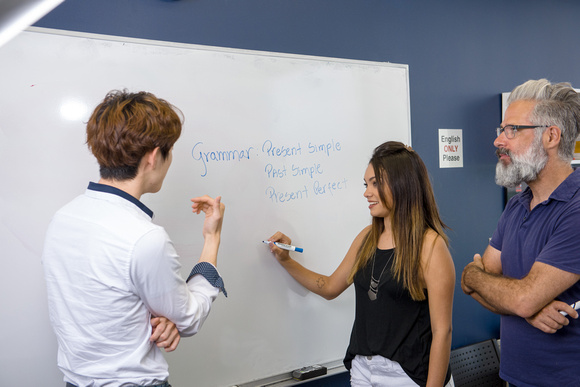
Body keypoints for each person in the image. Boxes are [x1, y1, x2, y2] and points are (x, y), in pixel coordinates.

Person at [42, 90, 227, 387]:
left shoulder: (63, 218)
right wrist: (212, 237)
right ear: (154, 157)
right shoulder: (144, 238)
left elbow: (109, 302)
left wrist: (167, 316)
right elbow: (189, 318)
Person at [267, 141, 455, 387]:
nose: (367, 192)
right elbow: (330, 287)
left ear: (403, 184)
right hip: (363, 371)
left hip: (408, 376)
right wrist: (286, 260)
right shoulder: (367, 238)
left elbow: (443, 332)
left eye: (376, 183)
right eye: (366, 184)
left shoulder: (430, 246)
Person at [461, 79, 580, 387]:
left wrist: (484, 280)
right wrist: (525, 308)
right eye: (502, 130)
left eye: (512, 129)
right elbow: (470, 284)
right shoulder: (516, 207)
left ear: (551, 136)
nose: (499, 140)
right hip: (514, 379)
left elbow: (503, 288)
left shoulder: (576, 209)